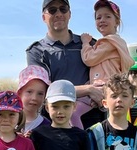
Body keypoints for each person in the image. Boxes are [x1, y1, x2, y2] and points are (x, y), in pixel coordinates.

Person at [26, 0, 104, 129]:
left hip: (92, 119)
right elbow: (44, 90)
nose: (58, 14)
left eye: (63, 9)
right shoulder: (36, 51)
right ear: (43, 17)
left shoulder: (89, 44)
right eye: (52, 10)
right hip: (54, 122)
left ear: (69, 14)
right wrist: (88, 89)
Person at [79, 0, 134, 128]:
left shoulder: (110, 42)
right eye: (98, 17)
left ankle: (79, 138)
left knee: (74, 112)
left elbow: (89, 58)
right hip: (109, 87)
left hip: (102, 86)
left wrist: (85, 43)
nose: (102, 20)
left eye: (107, 16)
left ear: (117, 22)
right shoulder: (117, 43)